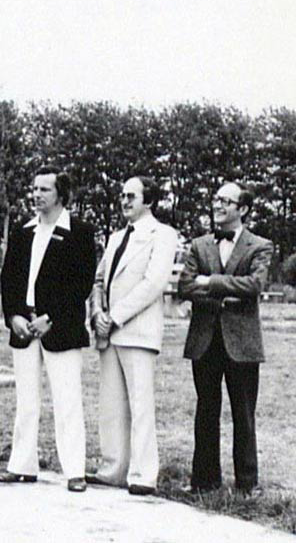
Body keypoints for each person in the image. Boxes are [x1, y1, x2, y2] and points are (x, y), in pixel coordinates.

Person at [0, 167, 95, 492]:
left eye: (45, 190)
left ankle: (75, 471)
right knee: (26, 401)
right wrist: (14, 316)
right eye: (35, 189)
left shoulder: (79, 233)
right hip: (24, 328)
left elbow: (80, 285)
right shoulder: (23, 232)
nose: (37, 195)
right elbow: (8, 279)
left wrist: (50, 317)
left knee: (67, 400)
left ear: (61, 195)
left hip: (60, 329)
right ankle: (21, 465)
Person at [178, 181, 272, 495]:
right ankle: (204, 482)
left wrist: (210, 282)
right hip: (205, 339)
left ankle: (247, 484)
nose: (217, 205)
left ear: (242, 209)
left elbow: (254, 285)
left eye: (225, 201)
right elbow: (185, 286)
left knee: (243, 414)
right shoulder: (199, 244)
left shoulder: (260, 245)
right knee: (206, 410)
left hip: (242, 343)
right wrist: (225, 289)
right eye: (216, 199)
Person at [88, 176, 178, 496]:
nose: (124, 201)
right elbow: (99, 280)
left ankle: (142, 474)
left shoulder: (163, 235)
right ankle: (113, 469)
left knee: (141, 405)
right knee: (111, 406)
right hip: (108, 333)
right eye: (122, 196)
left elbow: (153, 284)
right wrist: (98, 314)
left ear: (149, 201)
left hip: (137, 331)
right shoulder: (115, 238)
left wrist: (115, 316)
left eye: (131, 196)